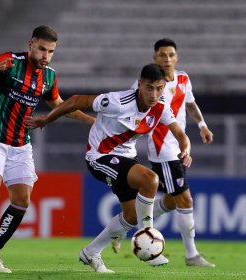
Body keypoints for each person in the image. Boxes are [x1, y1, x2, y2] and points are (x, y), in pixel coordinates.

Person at [0, 25, 94, 273]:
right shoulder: (10, 61)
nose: (46, 56)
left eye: (51, 51)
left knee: (22, 200)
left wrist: (91, 121)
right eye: (42, 49)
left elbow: (58, 104)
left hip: (21, 145)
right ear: (30, 45)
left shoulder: (49, 76)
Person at [25, 63, 192, 273]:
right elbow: (76, 100)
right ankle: (147, 238)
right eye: (149, 88)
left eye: (159, 88)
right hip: (100, 157)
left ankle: (91, 252)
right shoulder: (117, 101)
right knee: (150, 180)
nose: (154, 94)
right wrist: (46, 120)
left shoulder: (161, 106)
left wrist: (185, 148)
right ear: (139, 85)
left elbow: (180, 134)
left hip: (126, 159)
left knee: (130, 216)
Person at [112, 38, 215, 267]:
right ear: (154, 58)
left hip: (178, 146)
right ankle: (192, 255)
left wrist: (202, 125)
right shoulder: (147, 85)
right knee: (185, 199)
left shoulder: (183, 79)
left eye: (171, 55)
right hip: (163, 150)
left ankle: (122, 227)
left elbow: (190, 104)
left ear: (176, 57)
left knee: (169, 201)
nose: (166, 59)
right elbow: (130, 107)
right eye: (162, 55)